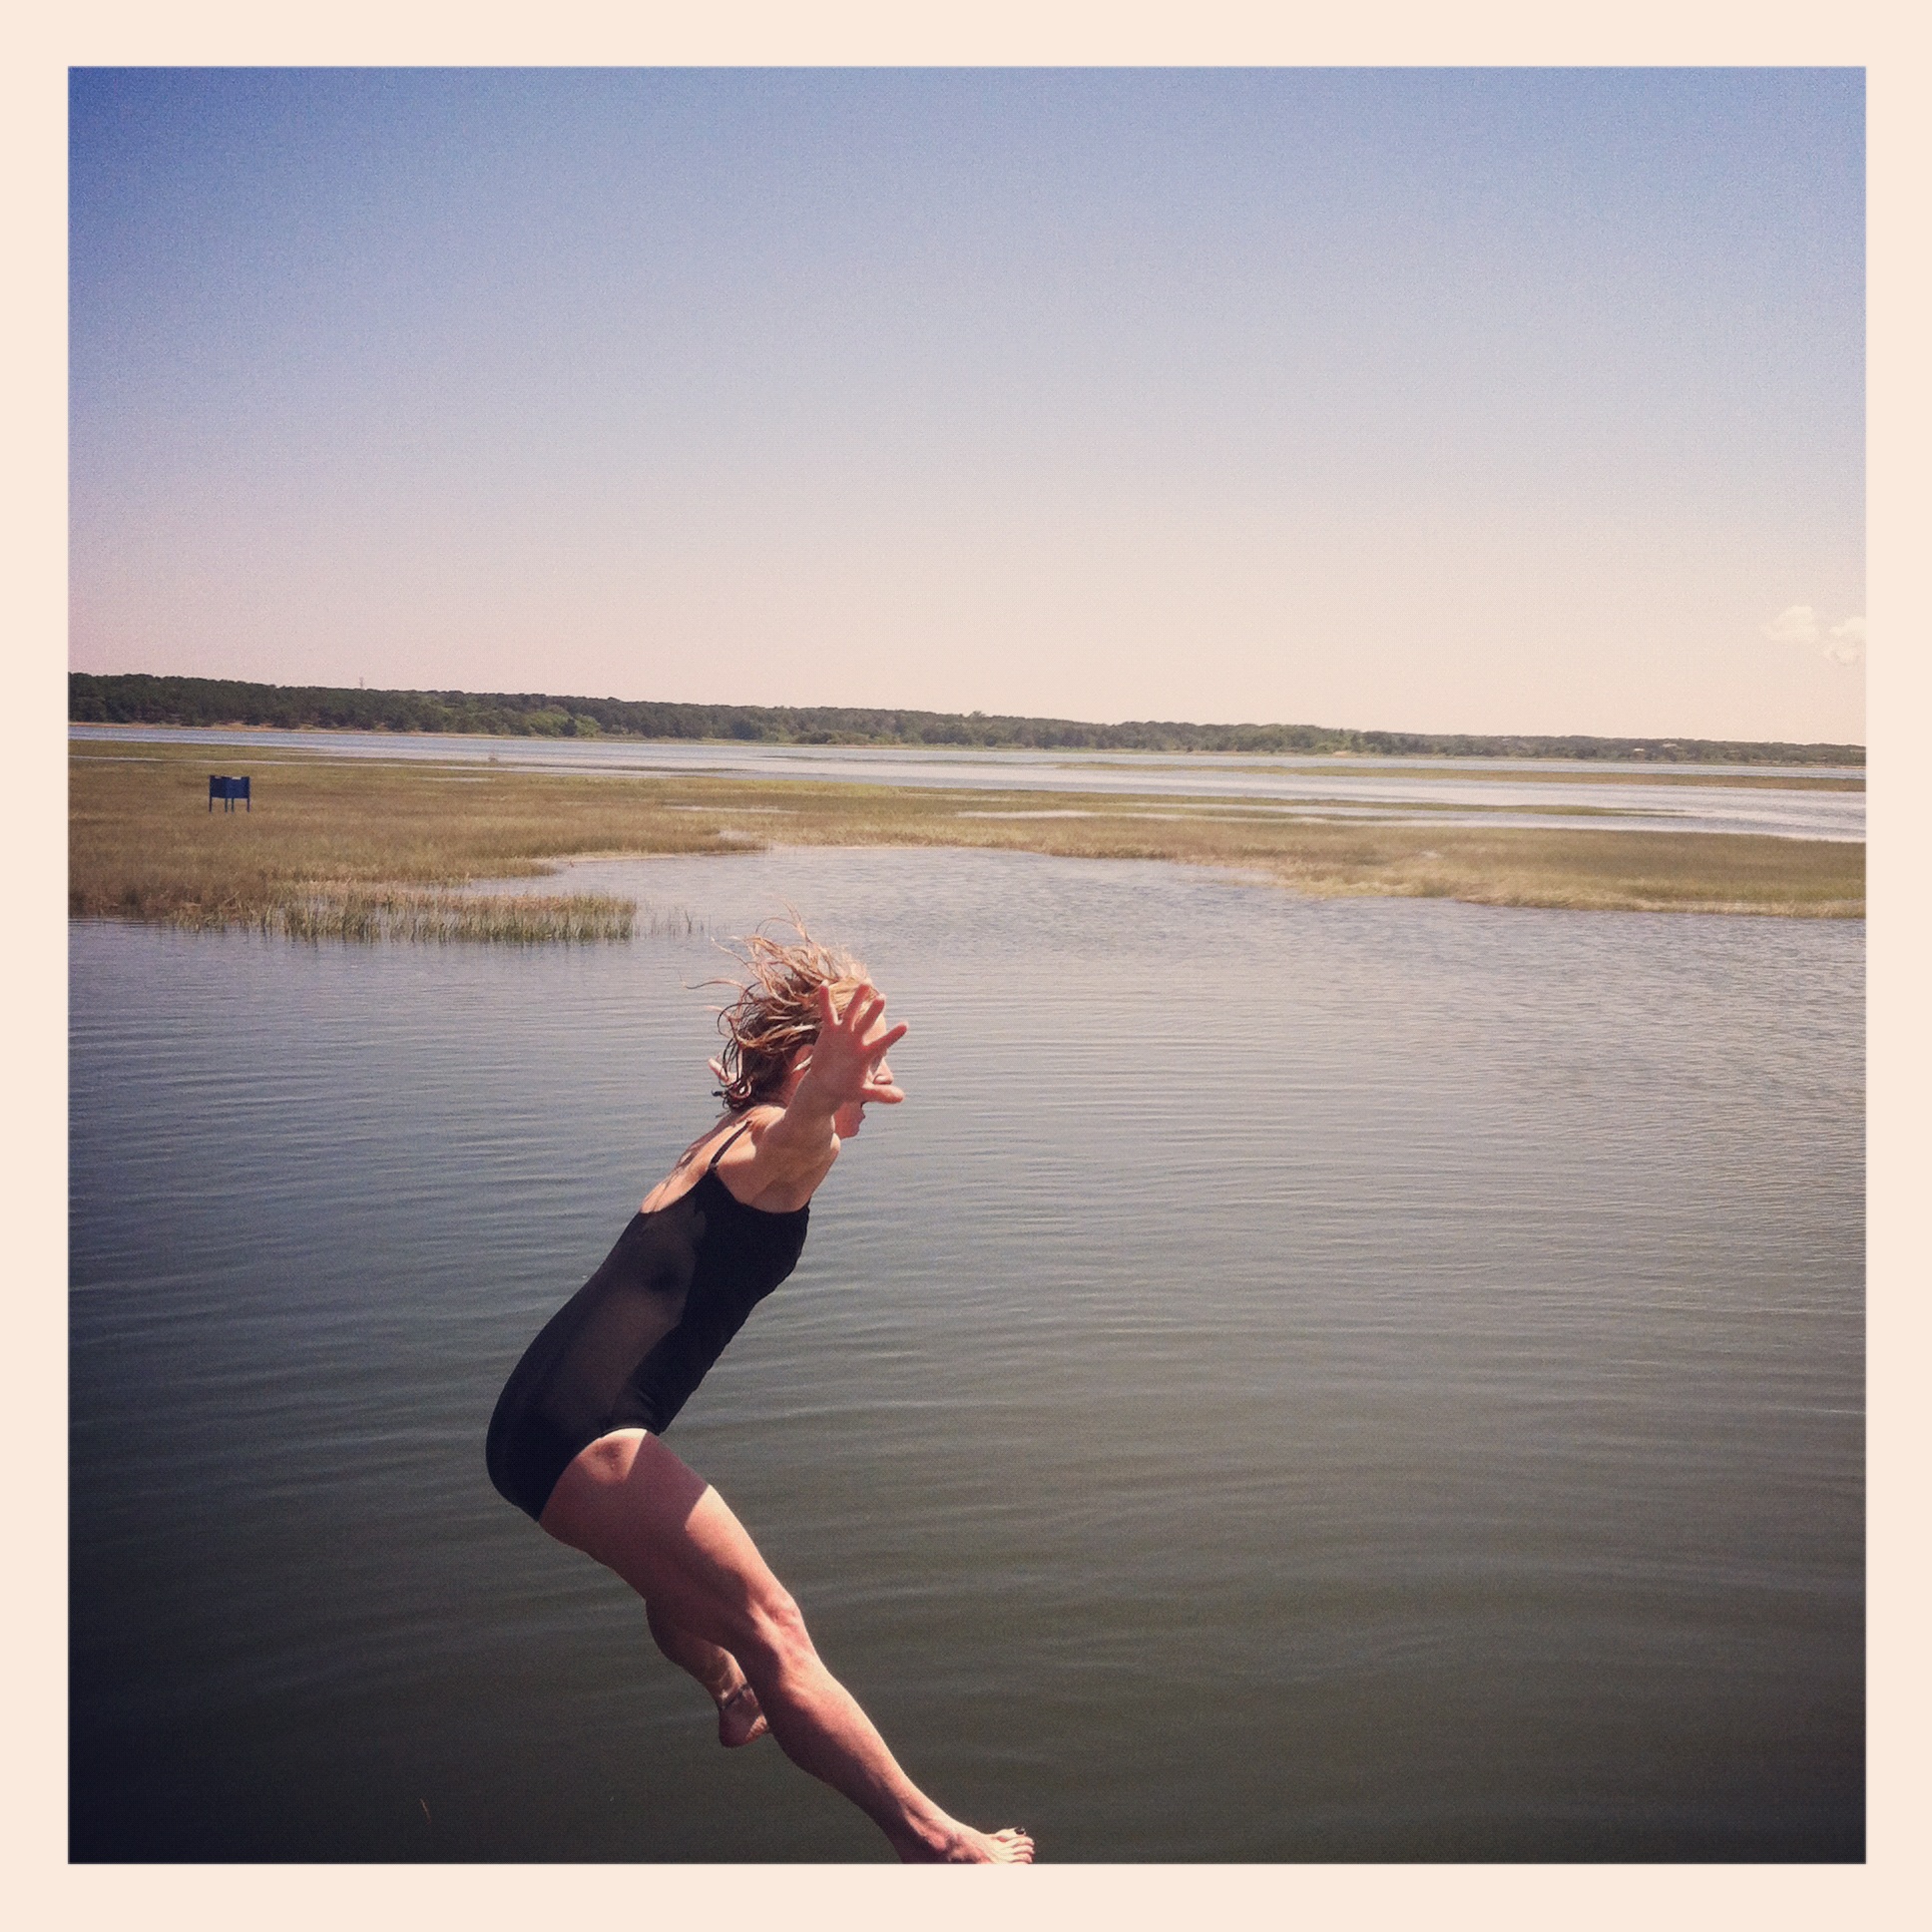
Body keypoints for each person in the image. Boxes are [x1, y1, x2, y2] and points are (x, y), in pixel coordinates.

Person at [486, 924, 1035, 1864]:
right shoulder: (782, 1146)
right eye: (856, 1047)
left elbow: (785, 1124)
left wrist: (813, 1083)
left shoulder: (724, 1138)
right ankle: (939, 1847)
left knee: (686, 1582)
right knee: (776, 1627)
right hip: (585, 1436)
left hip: (533, 1421)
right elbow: (801, 1129)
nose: (876, 1068)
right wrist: (822, 1089)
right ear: (805, 1058)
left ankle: (732, 1695)